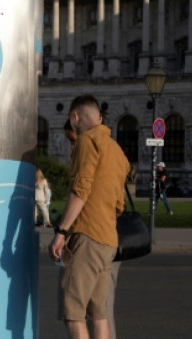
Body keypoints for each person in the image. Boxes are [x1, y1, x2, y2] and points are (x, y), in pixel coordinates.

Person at [50, 96, 130, 339]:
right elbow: (119, 204)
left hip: (87, 236)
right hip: (109, 239)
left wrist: (62, 231)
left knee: (73, 313)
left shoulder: (86, 141)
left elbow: (80, 190)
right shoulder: (117, 151)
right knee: (99, 314)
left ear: (75, 117)